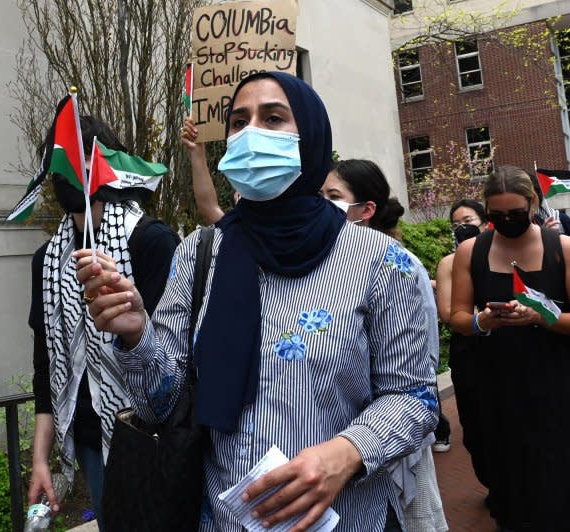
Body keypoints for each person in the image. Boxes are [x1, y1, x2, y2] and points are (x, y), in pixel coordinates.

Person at [76, 71, 437, 531]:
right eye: (239, 122)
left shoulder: (381, 261)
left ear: (312, 136)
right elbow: (159, 405)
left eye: (273, 119)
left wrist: (347, 452)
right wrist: (135, 334)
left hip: (347, 518)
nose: (251, 134)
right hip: (223, 519)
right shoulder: (200, 252)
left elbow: (416, 397)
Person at [27, 116, 180, 527]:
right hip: (89, 435)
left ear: (104, 168)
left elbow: (177, 352)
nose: (67, 175)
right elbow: (46, 362)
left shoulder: (150, 240)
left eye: (80, 162)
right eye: (58, 163)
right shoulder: (47, 260)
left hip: (150, 432)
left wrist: (131, 321)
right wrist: (42, 458)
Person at [321, 159, 447, 532]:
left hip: (391, 437)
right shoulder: (329, 263)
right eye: (320, 195)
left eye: (334, 197)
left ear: (366, 210)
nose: (322, 205)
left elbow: (419, 358)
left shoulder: (397, 263)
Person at [451, 165, 570, 530]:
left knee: (556, 476)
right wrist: (480, 322)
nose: (506, 221)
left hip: (556, 384)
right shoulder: (471, 251)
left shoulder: (563, 248)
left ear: (533, 204)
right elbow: (456, 315)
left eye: (516, 214)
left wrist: (540, 318)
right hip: (498, 386)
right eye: (496, 215)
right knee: (509, 476)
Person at [434, 199, 488, 486]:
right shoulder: (449, 264)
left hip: (505, 350)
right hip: (467, 350)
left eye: (468, 220)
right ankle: (490, 481)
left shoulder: (500, 255)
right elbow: (447, 313)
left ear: (484, 221)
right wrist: (481, 318)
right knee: (474, 425)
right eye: (456, 224)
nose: (462, 228)